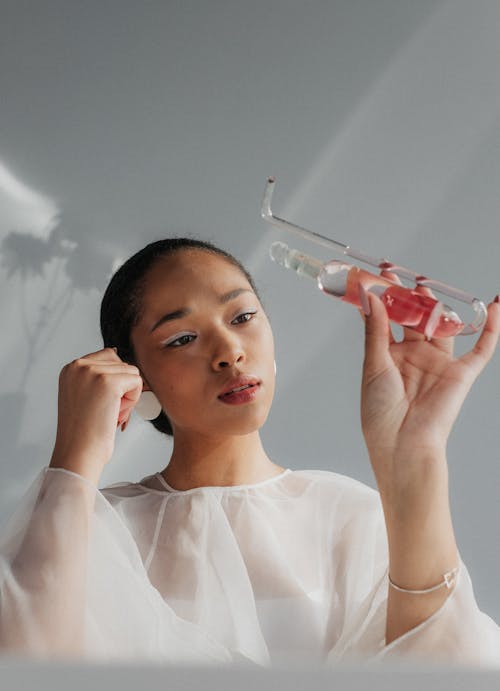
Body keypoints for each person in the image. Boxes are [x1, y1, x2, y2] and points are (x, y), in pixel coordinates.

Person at [0, 237, 499, 667]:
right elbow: (27, 680)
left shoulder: (350, 517)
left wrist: (414, 457)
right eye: (182, 338)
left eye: (242, 316)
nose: (229, 351)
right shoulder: (95, 528)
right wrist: (75, 456)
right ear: (134, 374)